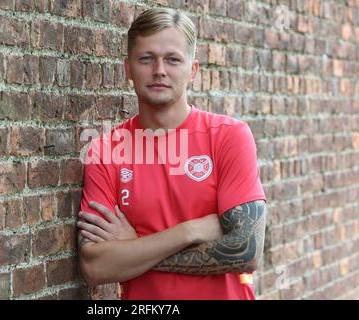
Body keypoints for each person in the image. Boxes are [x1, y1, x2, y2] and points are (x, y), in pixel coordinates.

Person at [77, 8, 267, 300]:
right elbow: (95, 266)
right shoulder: (105, 151)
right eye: (146, 58)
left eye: (173, 59)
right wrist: (189, 231)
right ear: (127, 68)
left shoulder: (228, 136)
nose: (159, 70)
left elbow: (246, 250)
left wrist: (136, 249)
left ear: (193, 70)